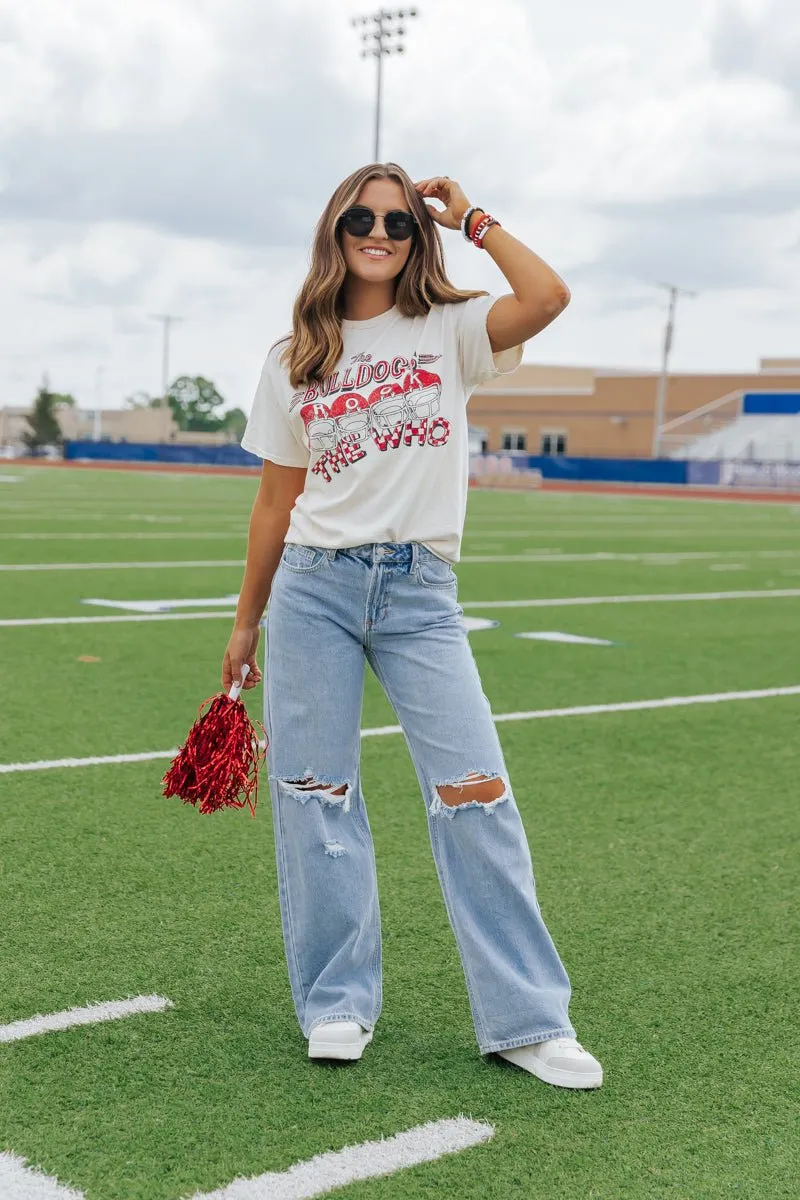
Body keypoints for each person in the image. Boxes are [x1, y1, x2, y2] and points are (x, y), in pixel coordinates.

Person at [223, 163, 603, 1090]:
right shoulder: (293, 358)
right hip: (312, 589)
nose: (380, 229)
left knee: (476, 793)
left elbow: (548, 294)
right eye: (362, 215)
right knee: (317, 797)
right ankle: (337, 1001)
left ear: (416, 231)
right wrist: (245, 624)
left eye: (397, 218)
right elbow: (274, 506)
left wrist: (469, 213)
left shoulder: (452, 329)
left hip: (420, 590)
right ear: (335, 229)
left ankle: (527, 1019)